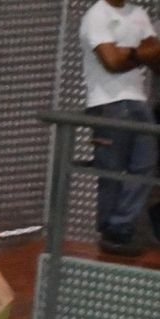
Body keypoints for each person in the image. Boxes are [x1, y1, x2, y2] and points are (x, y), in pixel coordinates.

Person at [79, 0, 160, 255]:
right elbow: (111, 62)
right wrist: (139, 53)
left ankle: (121, 227)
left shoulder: (139, 14)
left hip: (138, 100)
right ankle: (110, 232)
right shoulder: (97, 15)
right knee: (111, 170)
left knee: (145, 165)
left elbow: (156, 58)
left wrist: (132, 53)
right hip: (107, 102)